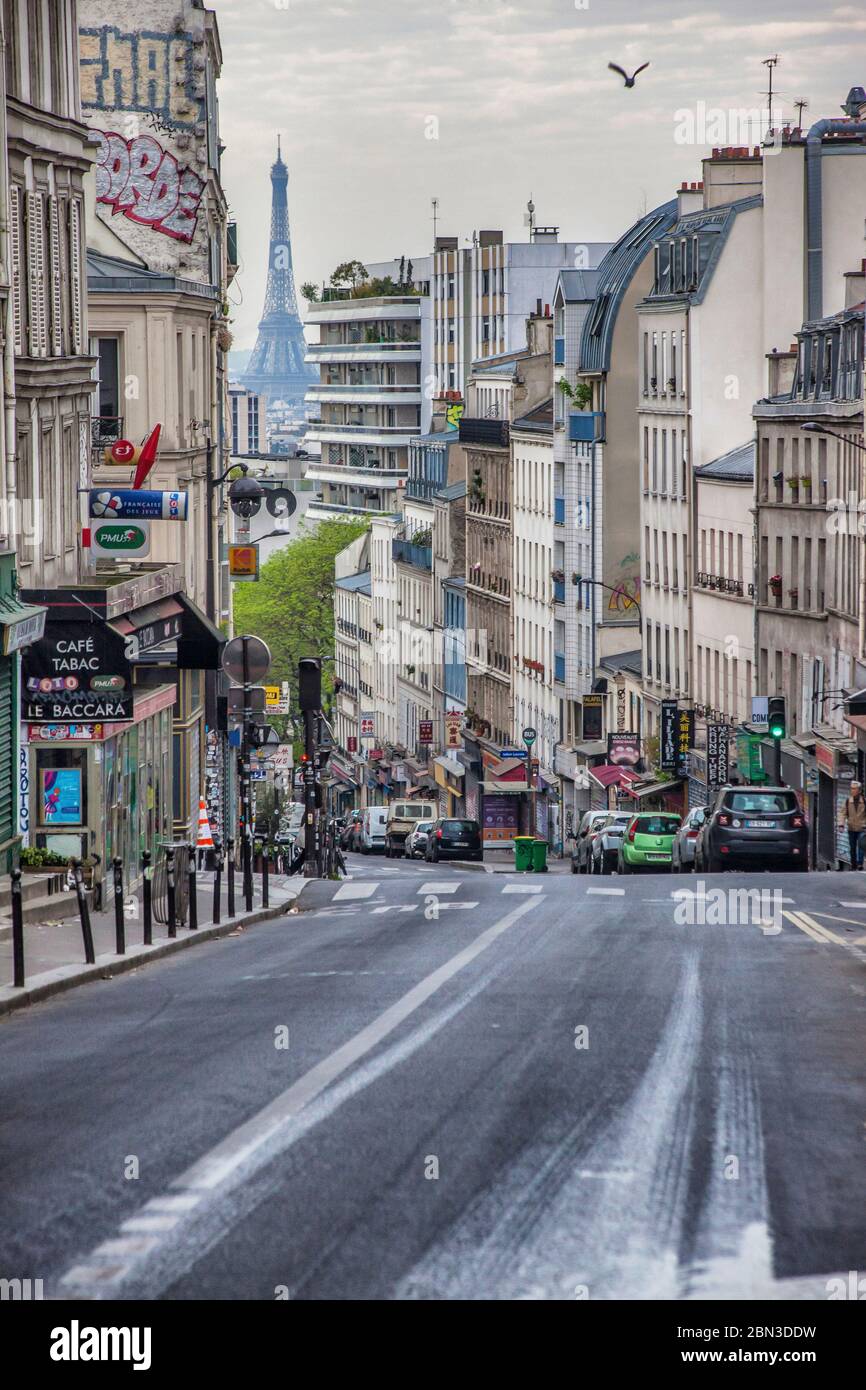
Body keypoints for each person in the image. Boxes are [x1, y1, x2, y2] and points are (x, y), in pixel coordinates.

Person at [839, 781, 866, 869]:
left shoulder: (864, 801)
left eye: (854, 789)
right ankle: (853, 864)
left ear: (859, 790)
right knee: (852, 847)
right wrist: (841, 825)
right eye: (851, 788)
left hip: (862, 828)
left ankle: (860, 864)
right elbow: (843, 813)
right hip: (851, 828)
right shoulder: (848, 801)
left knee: (861, 846)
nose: (852, 790)